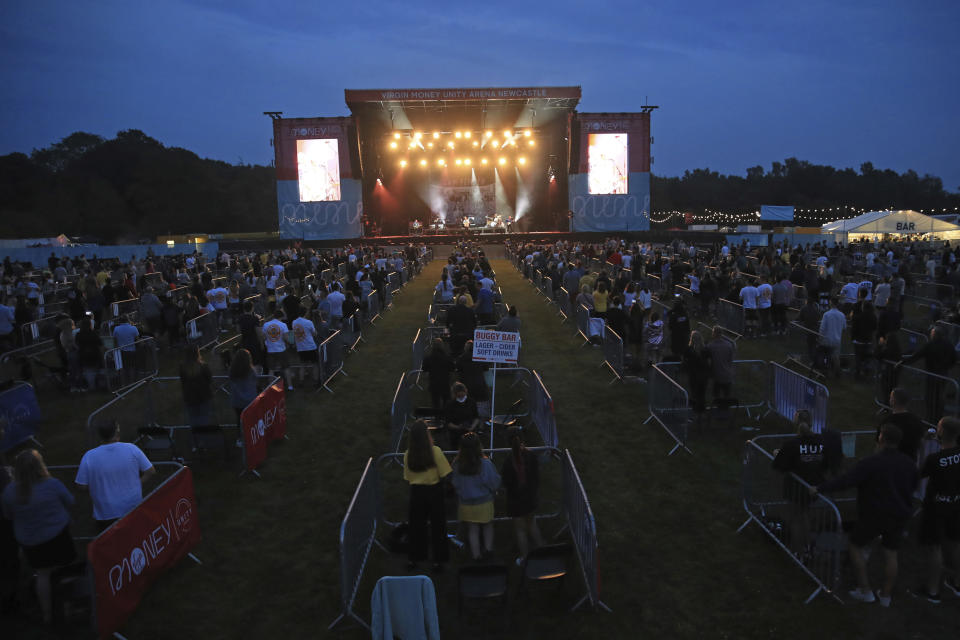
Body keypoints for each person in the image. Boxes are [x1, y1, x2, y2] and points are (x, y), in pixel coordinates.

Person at [813, 424, 918, 607]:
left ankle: (865, 589)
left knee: (855, 545)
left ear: (881, 439)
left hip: (874, 515)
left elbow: (846, 481)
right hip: (899, 514)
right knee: (891, 553)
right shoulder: (909, 463)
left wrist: (819, 488)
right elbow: (913, 485)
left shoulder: (870, 462)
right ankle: (886, 596)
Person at [2, 449, 76, 624]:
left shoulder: (9, 492)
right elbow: (71, 501)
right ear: (39, 466)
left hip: (32, 543)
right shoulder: (53, 484)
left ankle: (47, 615)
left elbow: (8, 515)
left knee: (42, 575)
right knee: (66, 569)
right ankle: (69, 606)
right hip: (58, 537)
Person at [772, 410, 843, 554]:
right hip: (815, 487)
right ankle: (807, 547)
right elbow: (829, 463)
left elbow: (779, 466)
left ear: (796, 423)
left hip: (796, 489)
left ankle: (798, 551)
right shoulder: (822, 441)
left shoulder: (792, 444)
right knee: (804, 515)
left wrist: (777, 455)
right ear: (811, 423)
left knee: (796, 519)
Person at [912, 417, 960, 603]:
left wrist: (924, 445)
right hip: (956, 505)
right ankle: (957, 582)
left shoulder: (936, 459)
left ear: (940, 433)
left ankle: (933, 591)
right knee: (956, 543)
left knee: (935, 548)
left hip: (936, 507)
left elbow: (918, 474)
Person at [75, 422, 155, 531]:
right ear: (117, 433)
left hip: (106, 513)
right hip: (133, 507)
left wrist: (98, 487)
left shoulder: (89, 456)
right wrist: (137, 484)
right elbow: (150, 471)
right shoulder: (131, 449)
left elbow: (81, 486)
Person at [403, 420, 451, 572]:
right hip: (434, 491)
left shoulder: (407, 455)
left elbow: (408, 477)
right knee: (438, 526)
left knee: (416, 526)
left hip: (417, 492)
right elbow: (445, 473)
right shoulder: (435, 451)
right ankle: (438, 560)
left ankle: (414, 558)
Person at [451, 432, 501, 562]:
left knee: (473, 529)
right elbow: (494, 482)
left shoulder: (457, 465)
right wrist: (494, 490)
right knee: (487, 526)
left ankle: (476, 556)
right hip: (484, 502)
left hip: (466, 503)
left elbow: (455, 483)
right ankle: (488, 550)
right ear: (479, 446)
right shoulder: (485, 464)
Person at [499, 428, 543, 565]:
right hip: (530, 497)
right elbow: (536, 477)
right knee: (532, 525)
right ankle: (542, 552)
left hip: (515, 501)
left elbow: (505, 483)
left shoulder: (507, 462)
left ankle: (525, 557)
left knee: (520, 530)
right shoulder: (531, 456)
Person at [878, 388, 926, 464]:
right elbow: (921, 444)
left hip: (890, 463)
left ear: (893, 401)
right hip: (910, 462)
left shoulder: (887, 421)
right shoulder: (916, 420)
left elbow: (879, 445)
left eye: (891, 397)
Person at [179, 344, 214, 427]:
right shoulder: (203, 366)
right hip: (203, 396)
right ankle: (202, 436)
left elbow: (183, 381)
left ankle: (196, 437)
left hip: (190, 397)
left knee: (193, 419)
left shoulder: (182, 367)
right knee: (204, 418)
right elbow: (209, 379)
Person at [682, 331, 711, 419]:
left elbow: (684, 361)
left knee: (694, 394)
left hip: (694, 375)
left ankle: (695, 412)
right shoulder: (705, 349)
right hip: (703, 376)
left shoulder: (689, 350)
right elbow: (708, 362)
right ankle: (701, 412)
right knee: (702, 394)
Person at [262, 309, 293, 390]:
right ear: (281, 316)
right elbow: (286, 338)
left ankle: (270, 387)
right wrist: (290, 342)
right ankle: (290, 386)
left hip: (270, 350)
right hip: (281, 349)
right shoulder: (283, 325)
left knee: (271, 369)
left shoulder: (266, 325)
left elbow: (264, 337)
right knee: (286, 368)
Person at [443, 382, 480, 450]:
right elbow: (448, 422)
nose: (461, 395)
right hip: (456, 434)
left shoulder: (471, 402)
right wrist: (458, 427)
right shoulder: (450, 404)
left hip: (470, 432)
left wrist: (472, 427)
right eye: (459, 394)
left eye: (462, 393)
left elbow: (476, 417)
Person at [228, 348, 259, 424]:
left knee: (239, 419)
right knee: (251, 420)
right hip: (250, 400)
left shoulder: (232, 370)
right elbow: (255, 381)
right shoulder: (251, 371)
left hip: (237, 400)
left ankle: (240, 434)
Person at [421, 338, 455, 409]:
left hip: (433, 383)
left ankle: (437, 418)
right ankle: (446, 417)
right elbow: (452, 368)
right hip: (445, 383)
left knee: (435, 403)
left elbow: (424, 369)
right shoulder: (447, 357)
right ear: (442, 346)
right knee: (446, 402)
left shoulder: (428, 358)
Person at [291, 306, 320, 386]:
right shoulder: (309, 322)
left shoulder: (294, 322)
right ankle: (316, 380)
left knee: (302, 365)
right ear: (305, 313)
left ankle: (301, 381)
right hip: (310, 346)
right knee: (315, 364)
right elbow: (315, 334)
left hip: (300, 347)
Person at [818, 298, 847, 376]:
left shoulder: (827, 314)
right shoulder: (842, 315)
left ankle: (825, 371)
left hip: (827, 340)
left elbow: (822, 328)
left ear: (830, 303)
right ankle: (837, 373)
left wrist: (820, 338)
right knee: (836, 357)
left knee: (825, 356)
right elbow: (844, 328)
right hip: (837, 340)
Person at [706, 325, 735, 400]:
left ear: (714, 333)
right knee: (727, 396)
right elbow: (731, 359)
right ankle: (725, 409)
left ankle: (718, 409)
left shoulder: (710, 346)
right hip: (728, 374)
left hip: (717, 375)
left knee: (716, 396)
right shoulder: (729, 345)